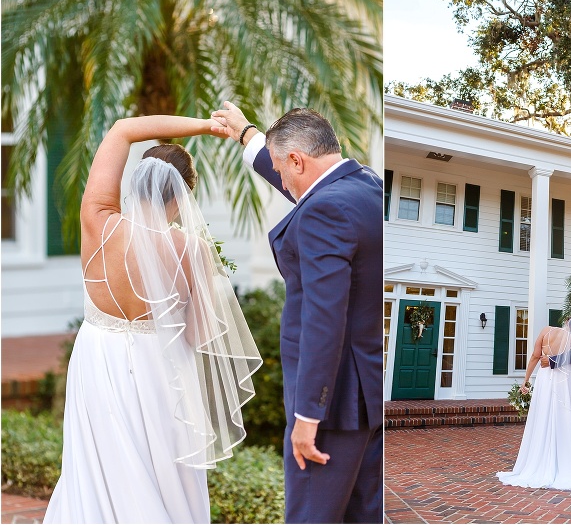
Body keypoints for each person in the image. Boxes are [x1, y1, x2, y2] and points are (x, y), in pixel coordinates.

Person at [44, 116, 262, 524]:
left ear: (137, 182)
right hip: (158, 366)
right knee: (164, 469)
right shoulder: (192, 249)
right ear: (182, 197)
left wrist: (205, 126)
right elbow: (199, 336)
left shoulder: (97, 223)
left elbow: (123, 128)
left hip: (97, 357)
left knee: (96, 464)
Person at [211, 102, 383, 524]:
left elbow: (324, 320)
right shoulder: (367, 187)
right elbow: (302, 185)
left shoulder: (324, 211)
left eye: (281, 167)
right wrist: (246, 134)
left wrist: (308, 416)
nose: (282, 181)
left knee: (311, 515)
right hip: (368, 401)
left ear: (297, 159)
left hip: (333, 407)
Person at [496, 317, 571, 490]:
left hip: (544, 379)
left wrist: (525, 381)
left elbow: (535, 356)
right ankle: (562, 463)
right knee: (563, 420)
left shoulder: (546, 330)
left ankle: (537, 461)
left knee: (541, 416)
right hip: (564, 383)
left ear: (564, 322)